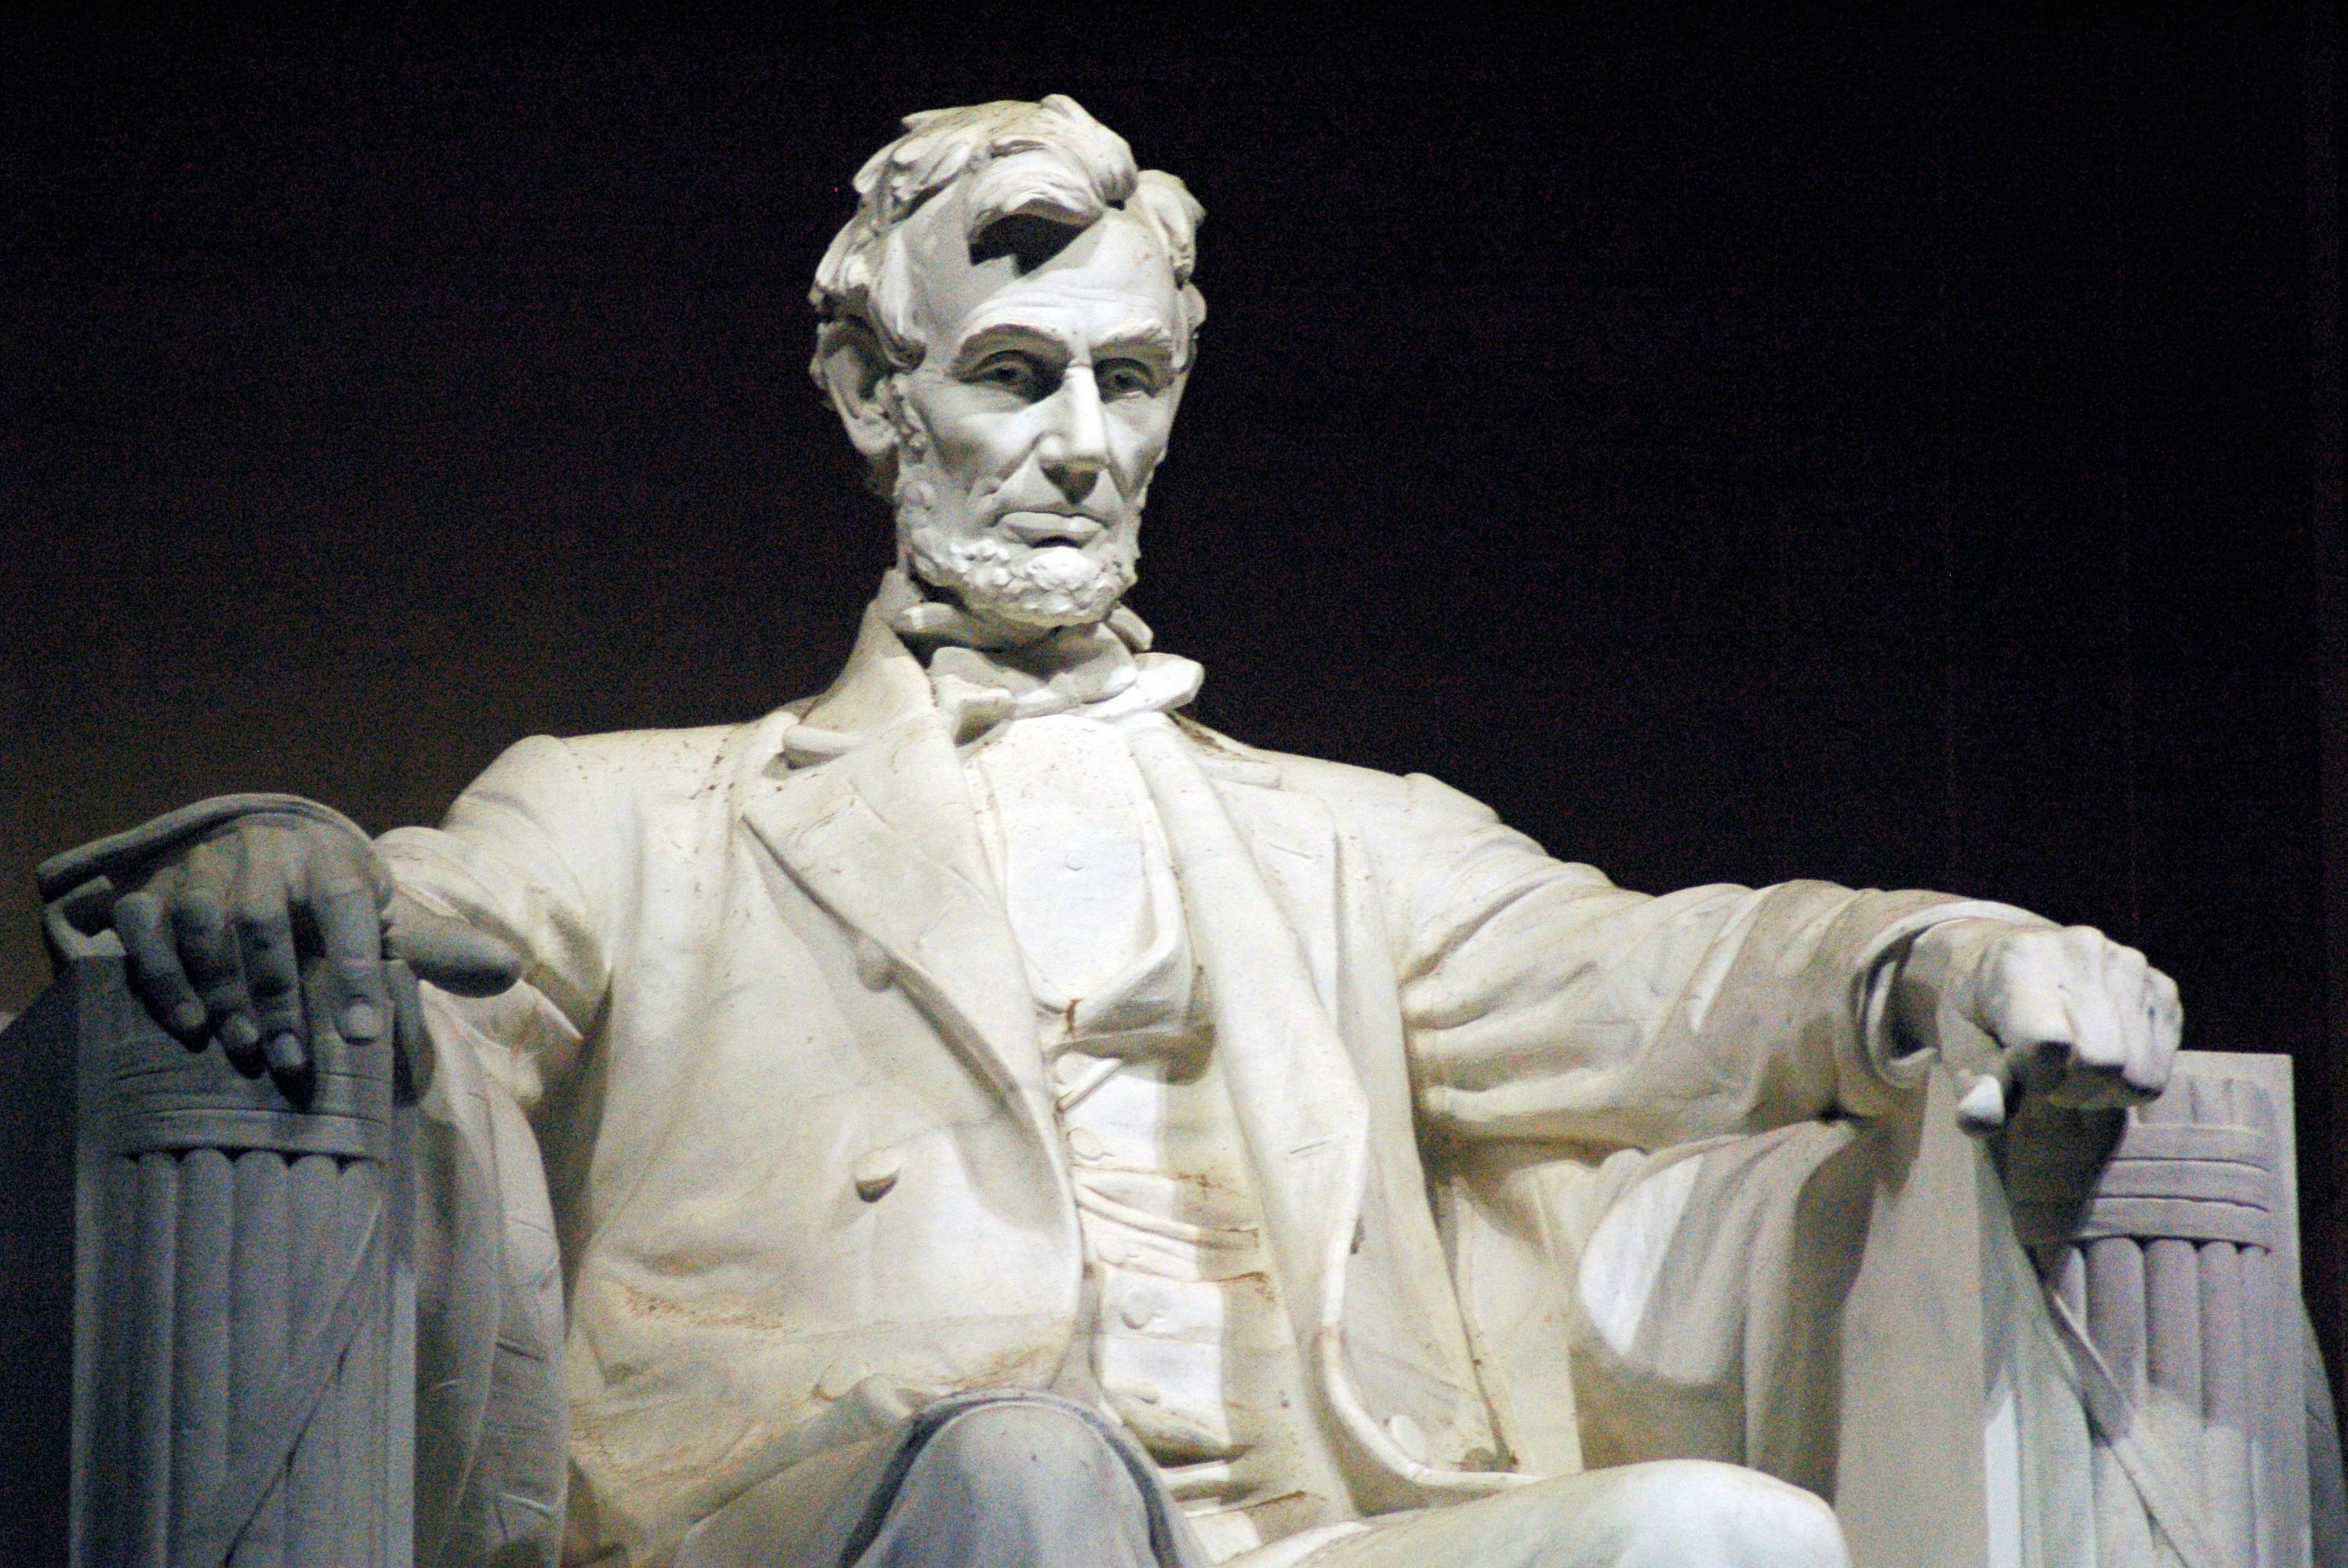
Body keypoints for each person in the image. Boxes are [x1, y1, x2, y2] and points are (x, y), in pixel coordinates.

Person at [61, 96, 2178, 1568]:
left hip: (1315, 1522)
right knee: (1026, 1475)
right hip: (827, 1506)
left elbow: (1669, 978)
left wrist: (1939, 966)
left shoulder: (1348, 846)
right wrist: (282, 858)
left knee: (1715, 1533)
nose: (1080, 448)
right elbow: (429, 933)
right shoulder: (635, 813)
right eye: (1011, 374)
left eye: (1129, 380)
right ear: (875, 395)